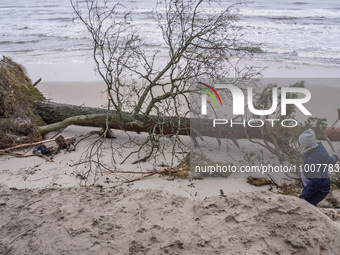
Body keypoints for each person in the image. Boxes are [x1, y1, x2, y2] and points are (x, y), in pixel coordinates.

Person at [298, 128, 339, 206]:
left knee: (306, 205)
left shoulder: (311, 159)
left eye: (301, 143)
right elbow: (329, 161)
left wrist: (305, 195)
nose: (301, 144)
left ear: (306, 144)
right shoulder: (320, 151)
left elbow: (316, 181)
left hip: (319, 189)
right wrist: (335, 158)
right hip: (322, 186)